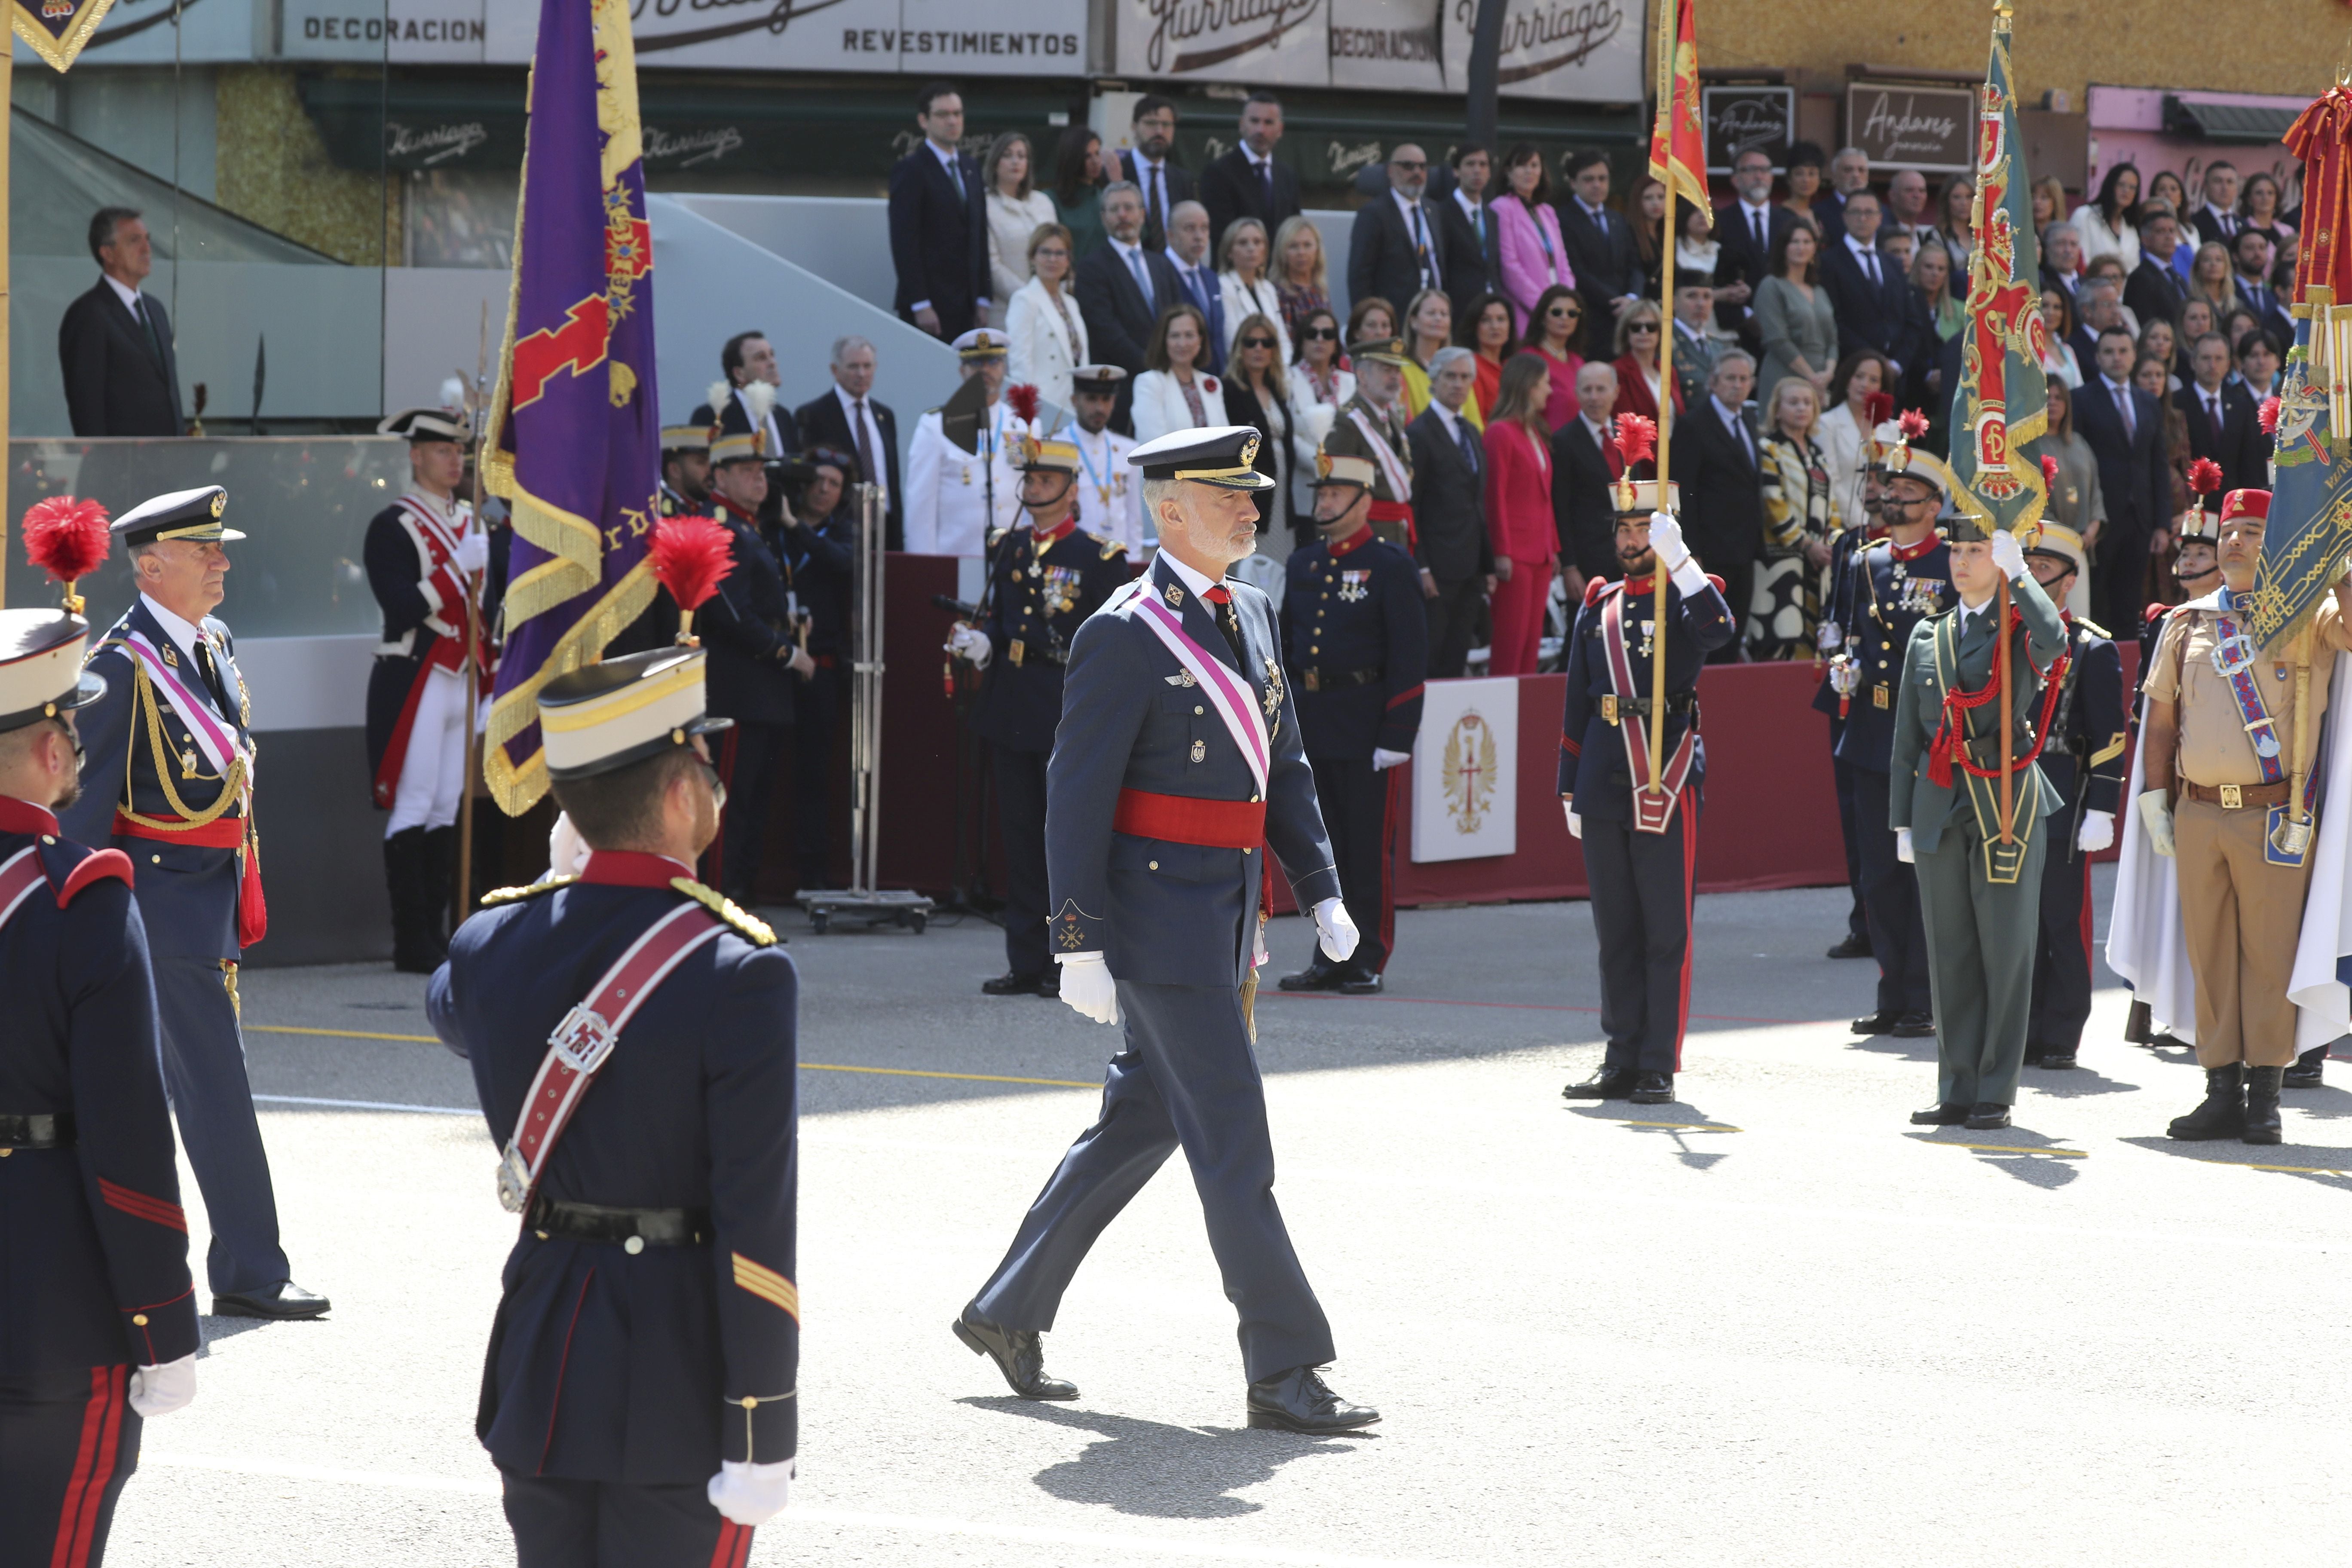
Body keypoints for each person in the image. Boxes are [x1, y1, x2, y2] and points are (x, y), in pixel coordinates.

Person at [955, 425, 1379, 1437]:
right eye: (1227, 495)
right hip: (1156, 926)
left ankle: (1004, 1308)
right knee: (1233, 1143)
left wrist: (1320, 886)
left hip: (1228, 913)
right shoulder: (1123, 629)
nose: (1251, 509)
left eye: (1251, 494)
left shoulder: (1257, 613)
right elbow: (1073, 797)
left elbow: (1284, 768)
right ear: (1166, 508)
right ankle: (1282, 1367)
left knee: (1141, 1120)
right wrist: (1077, 939)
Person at [427, 646, 799, 1563]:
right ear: (679, 798)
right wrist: (761, 1425)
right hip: (674, 1376)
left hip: (542, 1356)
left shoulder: (489, 943)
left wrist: (570, 878)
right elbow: (758, 1222)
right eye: (704, 767)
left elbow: (451, 1003)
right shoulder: (740, 972)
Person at [61, 486, 327, 1320]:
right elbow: (84, 814)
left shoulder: (210, 643)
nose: (222, 561)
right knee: (215, 1088)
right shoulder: (116, 667)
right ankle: (251, 1268)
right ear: (150, 564)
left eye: (220, 547)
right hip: (159, 912)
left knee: (173, 1090)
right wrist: (89, 932)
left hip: (211, 900)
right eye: (203, 549)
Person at [0, 601, 201, 1568]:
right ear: (47, 751)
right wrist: (163, 1323)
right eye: (72, 732)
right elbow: (127, 1139)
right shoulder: (81, 894)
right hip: (49, 1303)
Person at [2137, 490, 2352, 1144]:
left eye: (2253, 531)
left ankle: (2265, 1096)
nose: (2234, 542)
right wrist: (2154, 799)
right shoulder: (2187, 623)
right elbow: (2162, 721)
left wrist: (2338, 564)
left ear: (2277, 542)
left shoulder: (2310, 616)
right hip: (2200, 812)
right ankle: (2219, 1089)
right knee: (2210, 954)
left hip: (2274, 818)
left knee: (2268, 957)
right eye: (2230, 531)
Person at [1557, 491, 1737, 1106]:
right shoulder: (1598, 605)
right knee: (1616, 930)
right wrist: (1566, 785)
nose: (1632, 540)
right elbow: (1577, 702)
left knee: (1665, 928)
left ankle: (1658, 1060)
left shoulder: (1689, 594)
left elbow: (1719, 632)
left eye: (1645, 530)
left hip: (1665, 771)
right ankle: (1620, 1055)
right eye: (1626, 530)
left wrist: (1680, 561)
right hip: (1605, 776)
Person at [1890, 513, 2067, 1131]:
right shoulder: (1926, 638)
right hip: (1939, 803)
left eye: (1977, 551)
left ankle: (1997, 1088)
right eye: (1957, 550)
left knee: (2006, 951)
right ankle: (1957, 1086)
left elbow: (2056, 641)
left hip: (2005, 802)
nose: (1962, 561)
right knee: (1951, 953)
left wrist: (2021, 575)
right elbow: (1907, 740)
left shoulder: (2018, 626)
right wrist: (1902, 822)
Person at [946, 433, 1132, 996]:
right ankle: (1026, 960)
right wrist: (982, 645)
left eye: (1046, 481)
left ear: (1072, 490)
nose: (1035, 489)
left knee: (1069, 841)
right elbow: (1002, 620)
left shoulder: (1099, 557)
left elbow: (1111, 643)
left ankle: (1072, 962)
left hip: (1065, 704)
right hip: (1012, 704)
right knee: (1021, 838)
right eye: (1029, 480)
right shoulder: (1009, 545)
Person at [1819, 429, 1953, 1038]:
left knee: (1920, 866)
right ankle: (1892, 990)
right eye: (1890, 488)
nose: (1892, 498)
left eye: (1907, 491)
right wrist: (1840, 667)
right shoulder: (1863, 560)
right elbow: (1848, 633)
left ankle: (1925, 996)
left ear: (1934, 505)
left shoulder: (1950, 563)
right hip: (1871, 730)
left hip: (1926, 733)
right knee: (1877, 869)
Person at [1278, 448, 1427, 991]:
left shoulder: (1391, 566)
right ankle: (1329, 956)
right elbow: (1289, 650)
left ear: (1365, 501)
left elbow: (1409, 657)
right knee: (1323, 852)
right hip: (1315, 723)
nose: (1325, 501)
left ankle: (1367, 958)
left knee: (1365, 850)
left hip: (1367, 727)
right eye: (1321, 493)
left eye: (1336, 493)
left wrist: (1398, 733)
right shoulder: (1304, 563)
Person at [364, 406, 493, 972]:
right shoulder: (393, 525)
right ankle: (410, 938)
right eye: (442, 451)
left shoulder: (474, 519)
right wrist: (454, 570)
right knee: (415, 801)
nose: (454, 460)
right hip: (417, 673)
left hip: (462, 674)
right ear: (416, 456)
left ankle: (441, 933)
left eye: (459, 452)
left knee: (446, 804)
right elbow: (401, 606)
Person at [2017, 530, 2126, 1072]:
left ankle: (2060, 1031)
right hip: (2007, 797)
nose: (2033, 576)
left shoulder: (2091, 646)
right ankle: (2022, 1028)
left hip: (2063, 795)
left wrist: (2103, 807)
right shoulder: (2006, 638)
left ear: (2069, 581)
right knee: (2017, 925)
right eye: (2027, 565)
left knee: (2060, 920)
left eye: (2044, 568)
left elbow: (2109, 734)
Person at [700, 429, 814, 906]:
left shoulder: (749, 525)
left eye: (761, 472)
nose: (759, 480)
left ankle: (738, 897)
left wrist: (787, 621)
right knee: (731, 801)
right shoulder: (722, 527)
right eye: (746, 472)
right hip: (738, 686)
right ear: (720, 476)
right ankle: (718, 900)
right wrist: (787, 652)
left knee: (754, 799)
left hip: (761, 687)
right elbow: (729, 614)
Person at [778, 450, 856, 891]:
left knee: (814, 775)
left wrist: (797, 529)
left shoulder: (841, 532)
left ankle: (813, 874)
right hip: (776, 662)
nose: (825, 490)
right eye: (819, 481)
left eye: (835, 485)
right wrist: (787, 525)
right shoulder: (776, 525)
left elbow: (841, 562)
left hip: (822, 669)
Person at [2073, 324, 2174, 628]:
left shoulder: (2148, 401)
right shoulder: (2081, 399)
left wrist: (2162, 524)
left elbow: (2159, 464)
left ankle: (2127, 670)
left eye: (2123, 351)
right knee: (2098, 598)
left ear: (2134, 356)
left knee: (2130, 602)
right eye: (2109, 352)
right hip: (2101, 518)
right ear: (2098, 357)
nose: (2117, 358)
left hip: (2140, 518)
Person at [1407, 346, 1495, 676]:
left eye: (1465, 377)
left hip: (1471, 567)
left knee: (1457, 658)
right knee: (1433, 656)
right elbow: (1412, 504)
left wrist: (1486, 564)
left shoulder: (1471, 432)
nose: (1459, 384)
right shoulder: (1418, 433)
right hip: (1438, 569)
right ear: (1434, 379)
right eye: (1451, 376)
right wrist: (1423, 566)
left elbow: (1477, 501)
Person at [61, 208, 183, 438]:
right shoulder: (89, 314)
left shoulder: (155, 310)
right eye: (134, 241)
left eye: (147, 240)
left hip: (169, 462)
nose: (147, 249)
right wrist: (106, 465)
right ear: (108, 253)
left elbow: (168, 394)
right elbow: (87, 408)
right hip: (123, 466)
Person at [905, 328, 1028, 554]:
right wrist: (925, 570)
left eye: (993, 362)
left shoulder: (1021, 425)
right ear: (963, 371)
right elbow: (920, 511)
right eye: (976, 364)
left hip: (1011, 559)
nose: (985, 370)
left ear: (1004, 368)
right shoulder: (936, 425)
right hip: (957, 558)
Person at [1074, 181, 1185, 432]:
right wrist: (1153, 366)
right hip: (1124, 390)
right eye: (1114, 210)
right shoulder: (1092, 267)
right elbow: (1106, 330)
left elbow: (1178, 319)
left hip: (1169, 385)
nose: (1122, 215)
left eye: (1128, 208)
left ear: (1143, 215)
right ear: (1103, 218)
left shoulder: (1162, 264)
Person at [1677, 350, 1764, 654]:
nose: (1737, 385)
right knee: (1711, 636)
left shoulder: (1750, 419)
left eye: (1743, 379)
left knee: (1735, 634)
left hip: (1745, 549)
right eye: (1730, 378)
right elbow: (1684, 494)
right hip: (1711, 552)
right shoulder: (1693, 425)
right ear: (1713, 383)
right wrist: (1693, 553)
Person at [889, 81, 989, 340]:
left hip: (969, 307)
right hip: (931, 308)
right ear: (924, 121)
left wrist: (983, 298)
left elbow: (979, 236)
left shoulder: (971, 168)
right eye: (943, 115)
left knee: (971, 381)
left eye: (957, 114)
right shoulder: (911, 170)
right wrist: (920, 303)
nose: (952, 121)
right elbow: (904, 241)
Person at [1480, 354, 1558, 676]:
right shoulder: (1500, 432)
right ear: (1527, 387)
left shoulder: (1534, 432)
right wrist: (1501, 551)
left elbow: (1544, 496)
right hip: (1514, 554)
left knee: (1531, 644)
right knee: (1510, 645)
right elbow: (1493, 495)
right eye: (1544, 384)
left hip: (1539, 553)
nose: (1550, 391)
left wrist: (1553, 547)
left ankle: (1523, 716)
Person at [1753, 376, 1838, 659]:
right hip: (1781, 562)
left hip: (1818, 565)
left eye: (1807, 403)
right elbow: (1771, 504)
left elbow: (1832, 505)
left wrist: (1832, 545)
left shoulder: (1818, 454)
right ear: (1777, 409)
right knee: (1781, 641)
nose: (1801, 408)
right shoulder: (1768, 448)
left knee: (1814, 642)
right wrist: (1806, 546)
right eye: (1793, 403)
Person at [796, 335, 901, 548]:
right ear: (835, 370)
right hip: (839, 532)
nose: (861, 374)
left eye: (867, 366)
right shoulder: (813, 414)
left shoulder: (885, 416)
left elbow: (892, 479)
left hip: (885, 530)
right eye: (853, 367)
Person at [1317, 334, 1417, 549]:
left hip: (1395, 534)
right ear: (1362, 375)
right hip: (1366, 539)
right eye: (1386, 370)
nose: (1394, 378)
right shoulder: (1349, 422)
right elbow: (1332, 492)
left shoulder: (1389, 416)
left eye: (1396, 371)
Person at [1221, 312, 1298, 560]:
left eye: (1267, 343)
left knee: (1281, 563)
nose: (1259, 349)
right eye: (1251, 342)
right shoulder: (1229, 390)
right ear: (1239, 348)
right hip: (1253, 492)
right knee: (1254, 562)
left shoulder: (1277, 388)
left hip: (1284, 490)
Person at [692, 331, 798, 500]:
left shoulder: (783, 416)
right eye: (761, 358)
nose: (772, 363)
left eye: (772, 355)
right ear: (739, 373)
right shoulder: (714, 415)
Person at [2030, 380, 2105, 617]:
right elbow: (2033, 501)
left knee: (2078, 614)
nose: (2052, 403)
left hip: (2080, 546)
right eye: (2047, 397)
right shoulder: (2029, 447)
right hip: (2046, 548)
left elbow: (2096, 493)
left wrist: (2092, 529)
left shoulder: (2080, 443)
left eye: (2059, 398)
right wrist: (2063, 537)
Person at [1558, 150, 1642, 357]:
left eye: (1602, 179)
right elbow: (1576, 270)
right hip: (1590, 319)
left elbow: (1635, 265)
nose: (1597, 185)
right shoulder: (1562, 220)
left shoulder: (1618, 220)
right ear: (1572, 183)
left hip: (1626, 318)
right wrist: (1616, 302)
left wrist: (1632, 299)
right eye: (1589, 179)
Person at [1349, 143, 1447, 321]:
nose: (1417, 172)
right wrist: (1366, 321)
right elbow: (1360, 275)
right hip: (1394, 320)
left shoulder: (1433, 210)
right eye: (1408, 166)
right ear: (1390, 171)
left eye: (1423, 167)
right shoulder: (1374, 214)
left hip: (1434, 319)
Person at [1822, 193, 1911, 380]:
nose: (1863, 218)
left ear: (1880, 218)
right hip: (1853, 371)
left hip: (1895, 375)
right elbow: (1834, 321)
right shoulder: (1829, 262)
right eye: (1856, 212)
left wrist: (1898, 364)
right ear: (1844, 217)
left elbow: (1910, 319)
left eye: (1869, 212)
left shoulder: (1892, 263)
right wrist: (1875, 360)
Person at [1199, 90, 1301, 254]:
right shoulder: (1218, 173)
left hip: (1278, 276)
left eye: (1268, 123)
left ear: (1280, 129)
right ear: (1242, 124)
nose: (1261, 129)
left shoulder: (1287, 176)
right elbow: (1223, 236)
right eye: (1254, 121)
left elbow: (1293, 231)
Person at [1060, 364, 1145, 558]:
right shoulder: (1057, 448)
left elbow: (1134, 518)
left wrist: (1133, 564)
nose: (1100, 408)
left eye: (1106, 400)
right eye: (1091, 399)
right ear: (1075, 400)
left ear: (1114, 402)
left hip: (1118, 559)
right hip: (1074, 558)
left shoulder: (1128, 449)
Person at [1553, 362, 1624, 591]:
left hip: (1629, 557)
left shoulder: (1628, 435)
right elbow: (1560, 508)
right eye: (1587, 390)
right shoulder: (1564, 441)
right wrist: (1569, 566)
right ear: (1576, 394)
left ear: (1616, 392)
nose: (1594, 397)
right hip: (1587, 561)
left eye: (1601, 389)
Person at [1494, 142, 1574, 339]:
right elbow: (1509, 266)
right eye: (1522, 165)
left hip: (1558, 312)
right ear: (1509, 172)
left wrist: (1567, 302)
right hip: (1525, 311)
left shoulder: (1547, 211)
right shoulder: (1502, 208)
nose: (1529, 171)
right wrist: (1543, 307)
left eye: (1535, 165)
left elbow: (1563, 263)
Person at [1007, 223, 1090, 412]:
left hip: (1074, 406)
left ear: (1068, 260)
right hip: (1044, 405)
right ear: (1032, 258)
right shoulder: (1024, 300)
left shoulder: (1071, 303)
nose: (1053, 259)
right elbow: (1020, 362)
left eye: (1060, 253)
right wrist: (1029, 411)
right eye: (1045, 252)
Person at [1285, 309, 1353, 540]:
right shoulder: (1287, 379)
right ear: (1301, 341)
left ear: (1336, 343)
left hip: (1346, 486)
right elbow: (1288, 433)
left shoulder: (1350, 382)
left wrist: (1341, 467)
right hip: (1304, 486)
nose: (1320, 340)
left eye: (1328, 334)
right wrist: (1320, 464)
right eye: (1312, 334)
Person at [1755, 219, 1838, 407]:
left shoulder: (1820, 291)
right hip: (1784, 374)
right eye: (1795, 242)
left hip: (1820, 379)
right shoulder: (1771, 286)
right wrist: (1813, 378)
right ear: (1784, 247)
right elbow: (1777, 340)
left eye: (1807, 242)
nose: (1801, 247)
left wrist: (1828, 373)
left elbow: (1832, 340)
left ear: (1815, 248)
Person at [1714, 147, 1793, 339]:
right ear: (1735, 180)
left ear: (1773, 178)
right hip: (1738, 328)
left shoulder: (1789, 222)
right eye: (1751, 170)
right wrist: (1746, 316)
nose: (1759, 176)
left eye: (1765, 170)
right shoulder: (1719, 223)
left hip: (1786, 323)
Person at [2178, 330, 2266, 497]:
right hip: (2193, 505)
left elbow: (2250, 462)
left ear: (2228, 365)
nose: (2212, 365)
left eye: (2219, 359)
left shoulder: (2241, 404)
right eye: (2206, 358)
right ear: (2193, 362)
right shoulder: (2178, 404)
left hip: (2232, 505)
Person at [983, 132, 1057, 328]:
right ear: (995, 162)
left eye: (1022, 156)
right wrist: (1030, 297)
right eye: (1007, 155)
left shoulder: (1043, 202)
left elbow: (1060, 250)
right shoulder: (985, 205)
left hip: (1050, 308)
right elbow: (992, 265)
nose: (1015, 161)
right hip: (1007, 310)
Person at [1131, 302, 1228, 447]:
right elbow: (1153, 444)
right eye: (1175, 336)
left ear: (1200, 340)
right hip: (1169, 469)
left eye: (1189, 335)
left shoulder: (1211, 382)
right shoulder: (1149, 383)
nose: (1182, 344)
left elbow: (1226, 439)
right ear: (1164, 341)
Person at [1819, 351, 1890, 518]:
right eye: (1859, 376)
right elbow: (1831, 481)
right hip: (1842, 520)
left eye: (1874, 380)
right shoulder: (1827, 423)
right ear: (1847, 380)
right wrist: (1862, 523)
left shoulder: (1891, 428)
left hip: (1885, 523)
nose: (1865, 384)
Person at [1118, 94, 1193, 251]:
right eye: (1151, 123)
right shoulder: (1118, 173)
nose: (1159, 131)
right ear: (1134, 127)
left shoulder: (1183, 180)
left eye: (1166, 125)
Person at [1161, 201, 1227, 377]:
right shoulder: (1158, 274)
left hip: (1214, 381)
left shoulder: (1211, 278)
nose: (1199, 236)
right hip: (1176, 379)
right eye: (1190, 229)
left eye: (1204, 228)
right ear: (1171, 235)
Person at [1216, 217, 1291, 368]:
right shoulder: (1222, 286)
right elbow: (1232, 341)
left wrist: (1285, 368)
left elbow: (1282, 338)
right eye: (1243, 243)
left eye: (1258, 242)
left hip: (1277, 372)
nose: (1252, 248)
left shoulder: (1268, 288)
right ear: (1229, 252)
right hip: (1241, 372)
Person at [1519, 284, 1587, 430]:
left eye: (1572, 313)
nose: (1565, 318)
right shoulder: (1528, 358)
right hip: (1547, 444)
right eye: (1557, 312)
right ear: (1543, 317)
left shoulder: (1578, 361)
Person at [1441, 143, 1498, 314]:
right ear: (1456, 171)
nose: (1477, 170)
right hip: (1457, 308)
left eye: (1483, 165)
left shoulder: (1492, 215)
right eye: (1470, 164)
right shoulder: (1441, 213)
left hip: (1491, 307)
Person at [1608, 299, 1677, 427]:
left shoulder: (1669, 370)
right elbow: (1627, 424)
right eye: (1636, 328)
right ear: (1626, 332)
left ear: (1660, 332)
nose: (1644, 332)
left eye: (1651, 327)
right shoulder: (1618, 371)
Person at [2069, 163, 2142, 274]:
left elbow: (2134, 268)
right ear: (2110, 185)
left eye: (2132, 187)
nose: (2126, 190)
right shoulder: (2085, 215)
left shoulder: (2131, 227)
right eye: (2121, 184)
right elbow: (2080, 262)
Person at [2125, 204, 2190, 330]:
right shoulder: (2140, 279)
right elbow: (2146, 325)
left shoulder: (2178, 278)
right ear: (2145, 239)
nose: (2169, 237)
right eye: (2161, 231)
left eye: (2172, 231)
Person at [1270, 215, 1332, 343]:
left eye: (1307, 245)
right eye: (1293, 246)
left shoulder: (1320, 289)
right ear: (1282, 252)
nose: (1301, 253)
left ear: (1317, 250)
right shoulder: (1279, 294)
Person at [1051, 125, 1109, 260]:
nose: (1096, 161)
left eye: (1097, 153)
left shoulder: (1105, 197)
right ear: (1072, 158)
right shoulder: (1051, 199)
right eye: (1087, 156)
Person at [1668, 267, 1720, 416]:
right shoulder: (1664, 343)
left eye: (1707, 297)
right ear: (1673, 303)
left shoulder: (1717, 346)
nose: (1701, 304)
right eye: (1692, 296)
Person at [1398, 287, 1455, 420]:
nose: (1438, 318)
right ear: (1414, 321)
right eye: (1431, 313)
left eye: (1444, 314)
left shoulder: (1458, 368)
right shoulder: (1401, 369)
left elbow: (1474, 424)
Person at [2231, 229, 2294, 345]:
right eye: (2250, 248)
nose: (2258, 253)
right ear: (2235, 256)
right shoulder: (2229, 292)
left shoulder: (2275, 293)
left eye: (2262, 248)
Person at [1461, 291, 1516, 424]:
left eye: (1501, 319)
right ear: (1474, 327)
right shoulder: (1470, 366)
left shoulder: (1513, 367)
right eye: (1486, 320)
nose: (1495, 326)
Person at [1628, 175, 1669, 299]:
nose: (1656, 203)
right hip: (1641, 304)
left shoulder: (1667, 234)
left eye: (1661, 197)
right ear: (1638, 201)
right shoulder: (1629, 233)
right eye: (1648, 198)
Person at [660, 423, 712, 517]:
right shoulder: (663, 516)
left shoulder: (707, 512)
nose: (710, 470)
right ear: (675, 470)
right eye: (701, 462)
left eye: (711, 463)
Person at [1816, 146, 1871, 232]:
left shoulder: (1883, 213)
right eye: (1848, 170)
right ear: (1834, 176)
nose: (1856, 175)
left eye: (1861, 170)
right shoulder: (1818, 213)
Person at [2038, 285, 2084, 389]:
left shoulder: (2068, 350)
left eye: (2057, 307)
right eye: (2045, 306)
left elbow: (2080, 389)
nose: (2051, 312)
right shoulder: (2028, 350)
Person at [2191, 160, 2244, 248]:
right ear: (2206, 186)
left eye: (2230, 182)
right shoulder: (2195, 223)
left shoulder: (2243, 224)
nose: (2225, 187)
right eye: (2218, 181)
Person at [2185, 241, 2239, 325]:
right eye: (2207, 260)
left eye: (2219, 260)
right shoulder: (2189, 303)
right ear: (2198, 268)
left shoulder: (2237, 305)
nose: (2213, 264)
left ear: (2227, 266)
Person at [1780, 141, 1828, 224]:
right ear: (1789, 178)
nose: (1806, 180)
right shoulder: (1778, 215)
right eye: (1799, 174)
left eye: (1812, 174)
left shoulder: (1820, 215)